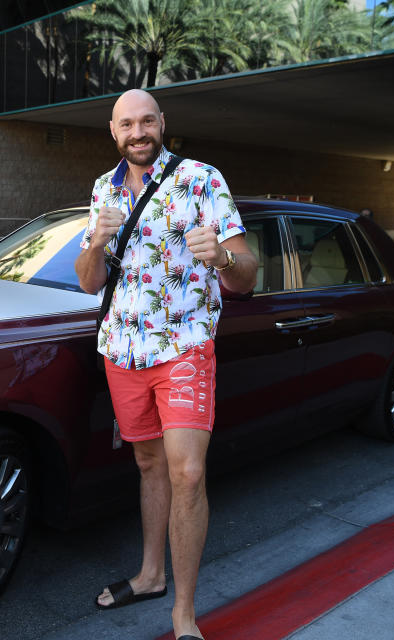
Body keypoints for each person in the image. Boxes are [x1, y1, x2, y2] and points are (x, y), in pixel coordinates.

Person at [74, 89, 257, 640]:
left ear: (162, 123)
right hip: (124, 351)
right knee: (150, 466)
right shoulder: (103, 190)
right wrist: (96, 243)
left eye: (147, 121)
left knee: (188, 473)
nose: (138, 132)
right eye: (127, 124)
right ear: (113, 131)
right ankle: (151, 574)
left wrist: (223, 257)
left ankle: (184, 614)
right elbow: (89, 281)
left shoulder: (203, 179)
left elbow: (248, 275)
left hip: (184, 347)